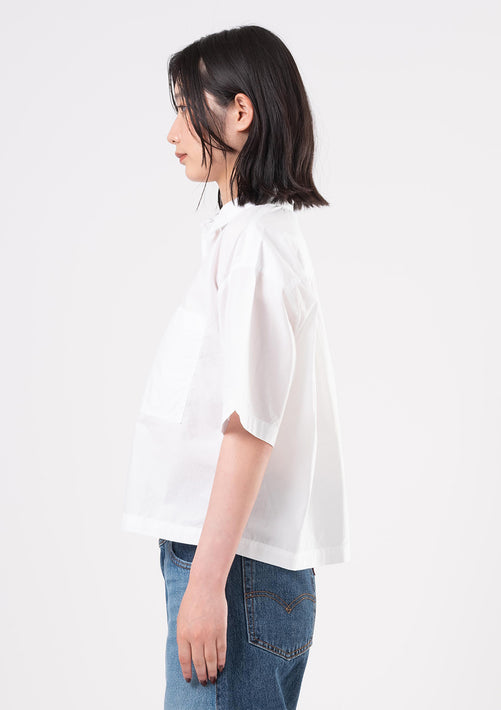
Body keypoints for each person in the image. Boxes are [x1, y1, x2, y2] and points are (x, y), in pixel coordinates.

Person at [121, 24, 351, 710]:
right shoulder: (247, 239)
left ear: (239, 111)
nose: (172, 133)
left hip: (233, 571)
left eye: (183, 108)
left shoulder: (256, 246)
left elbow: (248, 427)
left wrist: (204, 585)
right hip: (238, 570)